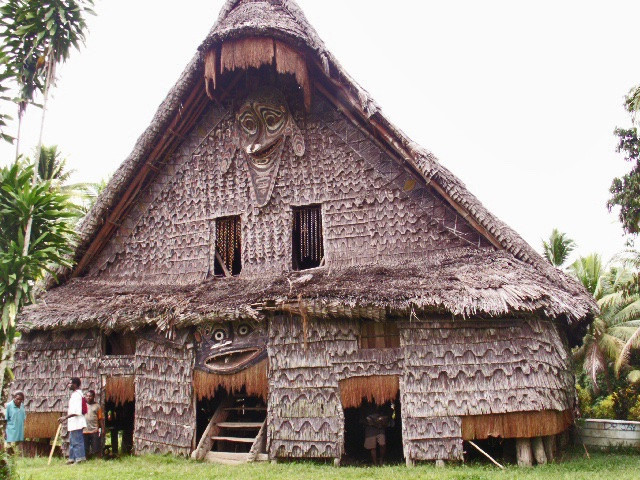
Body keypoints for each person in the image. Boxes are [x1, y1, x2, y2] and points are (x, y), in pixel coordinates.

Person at [58, 377, 87, 464]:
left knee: (77, 441)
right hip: (74, 422)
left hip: (77, 422)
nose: (69, 385)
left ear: (75, 385)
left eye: (70, 383)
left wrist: (65, 417)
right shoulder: (75, 394)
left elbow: (77, 412)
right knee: (72, 441)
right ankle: (72, 458)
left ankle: (80, 458)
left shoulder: (77, 395)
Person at [83, 390, 104, 459]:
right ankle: (86, 458)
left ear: (93, 397)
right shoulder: (83, 405)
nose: (88, 397)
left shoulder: (97, 406)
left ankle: (98, 459)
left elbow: (100, 418)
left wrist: (102, 429)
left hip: (94, 430)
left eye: (90, 396)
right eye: (87, 396)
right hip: (84, 430)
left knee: (96, 446)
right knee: (85, 447)